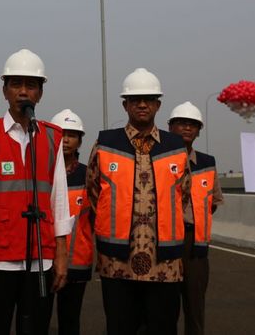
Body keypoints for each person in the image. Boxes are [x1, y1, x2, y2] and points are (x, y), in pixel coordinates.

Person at [0, 49, 73, 335]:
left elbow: (59, 200)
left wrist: (60, 255)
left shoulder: (52, 137)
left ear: (40, 93)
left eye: (31, 85)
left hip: (40, 258)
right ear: (5, 90)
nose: (23, 92)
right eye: (16, 84)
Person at [86, 68, 190, 335]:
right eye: (135, 100)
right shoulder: (106, 143)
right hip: (117, 261)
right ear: (125, 105)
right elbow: (94, 194)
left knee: (163, 328)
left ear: (158, 104)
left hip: (164, 263)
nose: (142, 104)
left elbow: (183, 194)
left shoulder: (175, 146)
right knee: (120, 328)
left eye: (148, 99)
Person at [167, 102, 223, 335]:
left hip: (194, 244)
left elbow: (214, 202)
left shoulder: (207, 163)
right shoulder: (159, 160)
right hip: (166, 240)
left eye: (192, 125)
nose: (187, 128)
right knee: (164, 306)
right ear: (170, 127)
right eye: (181, 123)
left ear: (199, 130)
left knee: (195, 304)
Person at [50, 109, 93, 335]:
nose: (65, 139)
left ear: (79, 141)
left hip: (77, 259)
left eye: (72, 135)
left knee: (70, 320)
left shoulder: (89, 176)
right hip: (45, 260)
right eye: (61, 134)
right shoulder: (42, 173)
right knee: (38, 319)